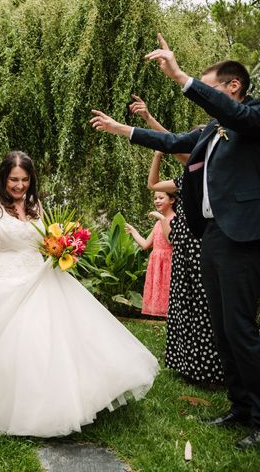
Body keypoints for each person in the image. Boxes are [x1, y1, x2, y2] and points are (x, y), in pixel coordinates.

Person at [90, 33, 260, 449]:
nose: (205, 95)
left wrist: (181, 76)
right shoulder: (212, 130)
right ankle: (239, 407)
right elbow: (172, 142)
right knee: (222, 329)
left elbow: (234, 116)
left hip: (244, 237)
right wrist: (122, 128)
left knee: (240, 329)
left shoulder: (251, 117)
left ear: (232, 86)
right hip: (213, 236)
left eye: (210, 86)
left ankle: (259, 417)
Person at [0, 151, 159, 438]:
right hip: (1, 275)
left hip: (40, 275)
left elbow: (41, 241)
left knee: (57, 335)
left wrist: (63, 246)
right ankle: (3, 399)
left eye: (25, 180)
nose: (19, 186)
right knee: (15, 338)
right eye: (13, 179)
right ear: (3, 177)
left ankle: (63, 396)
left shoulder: (34, 204)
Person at [146, 151, 224, 384]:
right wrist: (159, 152)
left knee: (204, 307)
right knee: (184, 306)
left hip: (202, 244)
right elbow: (153, 184)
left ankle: (212, 369)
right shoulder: (187, 179)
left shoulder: (216, 173)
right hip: (182, 246)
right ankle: (188, 364)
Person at [124, 191, 175, 318]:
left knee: (170, 297)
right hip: (157, 264)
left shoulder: (175, 219)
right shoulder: (158, 223)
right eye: (155, 198)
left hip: (169, 264)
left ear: (172, 200)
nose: (157, 200)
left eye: (161, 198)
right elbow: (146, 244)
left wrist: (162, 218)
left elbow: (171, 239)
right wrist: (134, 232)